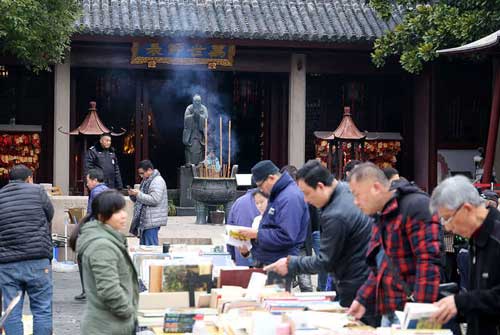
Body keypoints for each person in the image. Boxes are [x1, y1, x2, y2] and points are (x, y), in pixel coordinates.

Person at [264, 160, 373, 314]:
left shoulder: (335, 214)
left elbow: (325, 262)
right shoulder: (346, 190)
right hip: (364, 280)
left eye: (306, 193)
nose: (306, 200)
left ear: (321, 186)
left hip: (357, 286)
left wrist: (290, 263)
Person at [347, 162, 442, 327]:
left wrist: (419, 317)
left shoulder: (416, 205)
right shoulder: (381, 214)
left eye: (357, 195)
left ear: (376, 188)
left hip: (411, 312)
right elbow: (381, 266)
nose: (355, 202)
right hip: (390, 311)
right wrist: (362, 299)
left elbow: (428, 263)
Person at [429, 176, 500, 335]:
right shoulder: (476, 238)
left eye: (448, 218)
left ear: (467, 209)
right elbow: (482, 297)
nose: (447, 227)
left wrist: (460, 302)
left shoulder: (496, 237)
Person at [237, 160, 309, 290]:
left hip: (278, 263)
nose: (261, 190)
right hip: (268, 261)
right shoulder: (279, 193)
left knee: (275, 304)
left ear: (271, 178)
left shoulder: (290, 196)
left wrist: (256, 234)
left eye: (261, 186)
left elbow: (287, 236)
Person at [0, 164, 54, 334]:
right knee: (42, 309)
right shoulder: (37, 191)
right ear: (29, 178)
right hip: (37, 259)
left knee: (11, 310)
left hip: (7, 262)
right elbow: (50, 214)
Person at [76, 190, 139, 334]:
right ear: (102, 216)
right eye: (117, 212)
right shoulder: (102, 246)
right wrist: (128, 311)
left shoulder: (108, 239)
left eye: (123, 210)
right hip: (106, 327)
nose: (123, 215)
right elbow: (109, 289)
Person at [72, 168, 110, 301]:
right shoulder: (107, 190)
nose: (86, 184)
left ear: (94, 180)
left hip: (95, 232)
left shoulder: (96, 192)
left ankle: (87, 290)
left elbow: (93, 214)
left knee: (83, 258)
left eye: (87, 181)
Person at [128, 160, 168, 246]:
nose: (141, 176)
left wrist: (138, 194)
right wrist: (133, 195)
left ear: (149, 170)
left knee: (151, 248)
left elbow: (155, 200)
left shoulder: (157, 181)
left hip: (152, 220)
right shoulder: (147, 180)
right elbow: (141, 199)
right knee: (144, 248)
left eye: (142, 173)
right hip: (145, 220)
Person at [226, 188, 260, 266]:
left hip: (242, 261)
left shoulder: (238, 202)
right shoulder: (271, 201)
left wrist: (232, 257)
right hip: (261, 264)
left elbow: (230, 233)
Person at [183, 94, 208, 165]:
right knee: (190, 148)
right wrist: (193, 116)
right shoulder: (189, 108)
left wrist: (199, 116)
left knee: (201, 149)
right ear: (193, 101)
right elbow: (186, 119)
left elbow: (206, 119)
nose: (197, 102)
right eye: (196, 101)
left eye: (199, 101)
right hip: (191, 134)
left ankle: (200, 164)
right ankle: (189, 163)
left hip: (200, 133)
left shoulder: (204, 108)